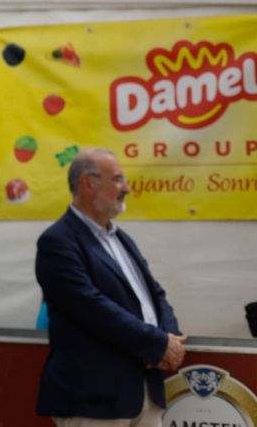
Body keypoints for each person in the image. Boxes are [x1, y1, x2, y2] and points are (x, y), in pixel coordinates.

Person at [34, 148, 182, 427]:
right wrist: (156, 343)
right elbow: (92, 308)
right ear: (87, 184)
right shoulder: (58, 241)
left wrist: (169, 337)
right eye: (117, 179)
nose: (126, 187)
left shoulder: (121, 238)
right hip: (94, 397)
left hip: (144, 392)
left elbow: (154, 294)